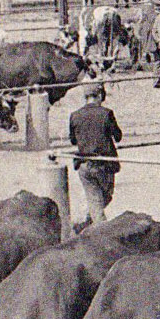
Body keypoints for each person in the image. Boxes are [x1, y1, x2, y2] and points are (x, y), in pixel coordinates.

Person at [67, 83, 123, 229]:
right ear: (99, 96)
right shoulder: (106, 113)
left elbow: (73, 140)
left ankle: (87, 220)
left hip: (84, 163)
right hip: (104, 163)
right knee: (104, 197)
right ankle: (101, 231)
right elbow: (118, 136)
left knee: (95, 199)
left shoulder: (75, 115)